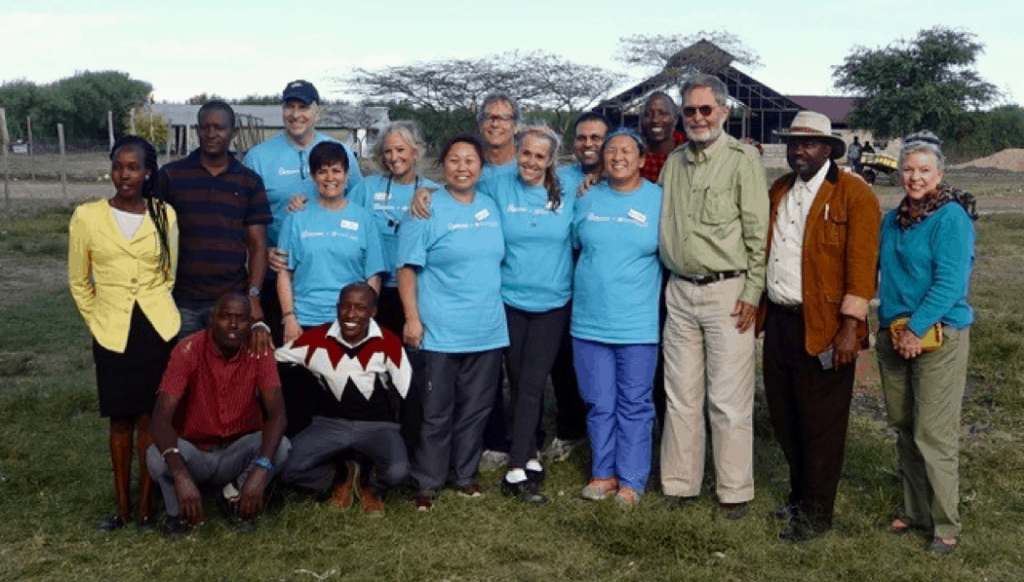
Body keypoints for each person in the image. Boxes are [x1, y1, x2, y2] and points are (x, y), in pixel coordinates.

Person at [759, 111, 881, 542]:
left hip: (827, 327)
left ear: (829, 149)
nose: (799, 151)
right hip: (779, 321)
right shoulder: (779, 190)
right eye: (793, 143)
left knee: (822, 425)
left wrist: (851, 326)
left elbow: (863, 267)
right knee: (784, 417)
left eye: (809, 144)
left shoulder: (853, 194)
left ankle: (816, 515)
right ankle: (797, 498)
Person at [658, 74, 769, 519]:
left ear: (724, 111)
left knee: (727, 397)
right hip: (680, 291)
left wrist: (753, 290)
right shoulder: (674, 162)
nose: (699, 117)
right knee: (680, 394)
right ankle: (680, 485)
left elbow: (757, 231)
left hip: (728, 291)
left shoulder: (743, 161)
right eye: (690, 110)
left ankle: (733, 490)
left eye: (707, 109)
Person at [68, 135, 178, 530]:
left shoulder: (164, 214)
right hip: (112, 329)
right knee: (120, 421)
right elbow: (80, 282)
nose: (124, 175)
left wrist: (150, 308)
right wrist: (98, 319)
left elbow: (168, 275)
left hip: (155, 328)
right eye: (118, 167)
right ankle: (121, 507)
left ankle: (147, 506)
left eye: (133, 168)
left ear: (148, 172)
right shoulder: (87, 216)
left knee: (150, 418)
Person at [877, 131, 977, 555]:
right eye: (908, 169)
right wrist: (895, 330)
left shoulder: (951, 217)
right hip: (895, 334)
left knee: (932, 433)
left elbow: (950, 283)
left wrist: (916, 329)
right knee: (903, 426)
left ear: (939, 173)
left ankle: (945, 523)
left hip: (937, 334)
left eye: (924, 170)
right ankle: (914, 509)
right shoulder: (892, 217)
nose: (915, 178)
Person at [397, 135, 508, 511]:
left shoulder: (492, 207)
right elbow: (407, 269)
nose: (463, 167)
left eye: (470, 160)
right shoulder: (425, 209)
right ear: (442, 166)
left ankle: (464, 475)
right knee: (435, 411)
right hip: (440, 331)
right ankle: (427, 480)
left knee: (475, 410)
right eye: (455, 160)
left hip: (487, 329)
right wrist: (412, 318)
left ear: (481, 166)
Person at [146, 293, 290, 535]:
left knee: (282, 447)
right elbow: (160, 418)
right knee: (156, 456)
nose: (233, 325)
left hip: (237, 451)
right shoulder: (188, 349)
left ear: (250, 323)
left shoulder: (258, 350)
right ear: (212, 319)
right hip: (196, 452)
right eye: (225, 317)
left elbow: (278, 415)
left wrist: (261, 469)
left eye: (241, 319)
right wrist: (181, 475)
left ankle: (233, 496)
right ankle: (178, 514)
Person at [572, 128, 663, 507]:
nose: (618, 157)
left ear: (642, 160)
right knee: (598, 402)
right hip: (589, 322)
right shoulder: (587, 197)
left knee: (635, 404)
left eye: (627, 151)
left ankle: (632, 480)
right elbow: (576, 246)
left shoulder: (659, 199)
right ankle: (603, 472)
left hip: (637, 324)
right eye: (611, 151)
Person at [243, 80, 364, 343]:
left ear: (317, 111)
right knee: (283, 358)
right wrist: (262, 252)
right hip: (276, 274)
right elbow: (243, 217)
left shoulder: (341, 151)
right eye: (290, 107)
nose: (296, 114)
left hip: (329, 278)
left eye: (303, 107)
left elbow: (359, 207)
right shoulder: (258, 157)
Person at [276, 283, 412, 515]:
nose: (351, 314)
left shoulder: (388, 342)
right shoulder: (315, 339)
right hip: (329, 424)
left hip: (378, 427)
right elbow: (274, 358)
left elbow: (407, 392)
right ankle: (340, 477)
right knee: (288, 468)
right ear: (337, 308)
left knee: (398, 473)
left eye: (360, 308)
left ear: (373, 312)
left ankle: (369, 483)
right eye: (346, 307)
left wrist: (402, 438)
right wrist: (257, 334)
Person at [155, 100, 273, 356]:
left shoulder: (249, 181)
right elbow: (155, 238)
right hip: (181, 299)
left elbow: (258, 245)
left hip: (231, 300)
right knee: (184, 371)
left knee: (228, 373)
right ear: (197, 130)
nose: (211, 134)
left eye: (219, 127)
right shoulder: (171, 176)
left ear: (233, 132)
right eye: (205, 127)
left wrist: (253, 296)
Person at [542, 112, 612, 462]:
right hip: (561, 271)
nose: (588, 144)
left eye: (596, 138)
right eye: (582, 138)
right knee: (561, 356)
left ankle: (602, 424)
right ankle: (570, 428)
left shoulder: (617, 176)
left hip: (601, 272)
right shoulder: (560, 176)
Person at [275, 141, 385, 344]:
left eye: (336, 171)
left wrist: (366, 318)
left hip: (350, 323)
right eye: (322, 171)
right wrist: (289, 317)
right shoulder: (295, 218)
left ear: (346, 174)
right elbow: (284, 273)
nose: (330, 178)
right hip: (304, 321)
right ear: (313, 176)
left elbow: (373, 276)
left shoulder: (364, 219)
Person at [347, 121, 439, 335]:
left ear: (415, 152)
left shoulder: (433, 192)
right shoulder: (367, 188)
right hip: (375, 288)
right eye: (387, 151)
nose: (393, 157)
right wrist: (303, 205)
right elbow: (338, 213)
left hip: (418, 291)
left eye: (400, 150)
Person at [639, 91, 685, 183]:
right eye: (648, 114)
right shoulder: (634, 154)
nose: (655, 120)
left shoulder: (691, 150)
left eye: (663, 113)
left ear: (675, 119)